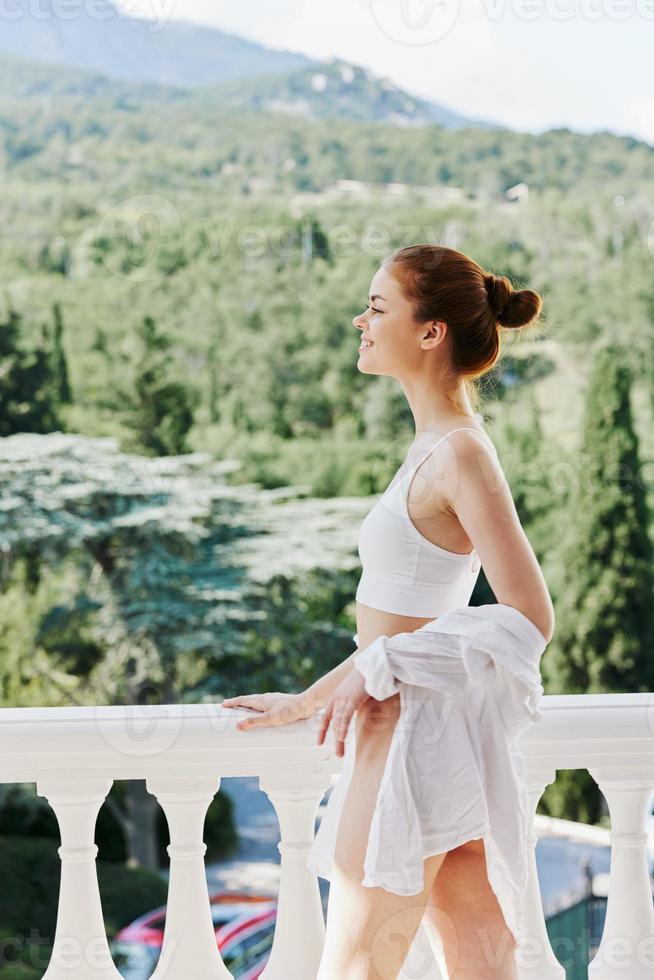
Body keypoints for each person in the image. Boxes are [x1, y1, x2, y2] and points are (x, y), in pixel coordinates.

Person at [220, 244, 555, 979]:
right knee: (486, 969)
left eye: (377, 308)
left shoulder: (460, 452)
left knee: (356, 971)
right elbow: (405, 622)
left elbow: (530, 616)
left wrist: (379, 668)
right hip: (426, 730)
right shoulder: (436, 446)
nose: (359, 321)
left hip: (411, 737)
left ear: (431, 332)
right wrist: (314, 696)